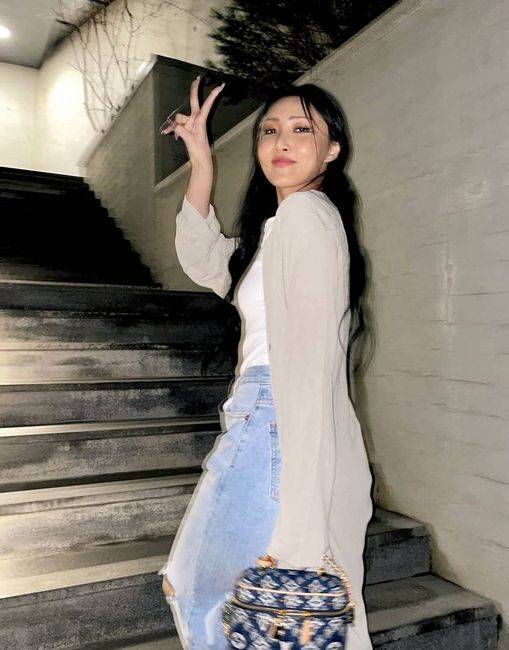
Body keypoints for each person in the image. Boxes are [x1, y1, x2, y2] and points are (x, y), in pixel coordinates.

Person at [157, 75, 375, 649]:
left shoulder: (306, 215)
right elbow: (203, 259)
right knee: (240, 605)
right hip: (263, 417)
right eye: (270, 131)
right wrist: (202, 160)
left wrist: (304, 518)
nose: (282, 142)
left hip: (273, 417)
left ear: (332, 149)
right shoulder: (277, 231)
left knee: (196, 588)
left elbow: (309, 368)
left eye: (302, 130)